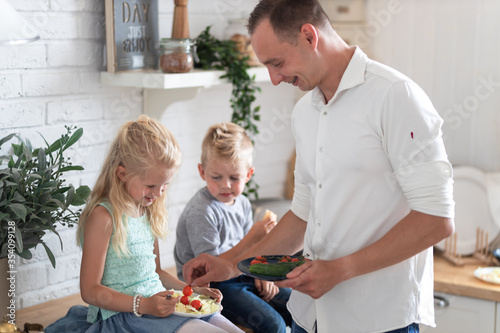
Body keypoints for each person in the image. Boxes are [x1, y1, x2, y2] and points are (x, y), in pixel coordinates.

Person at [182, 1, 455, 333]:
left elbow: (436, 220)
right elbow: (302, 214)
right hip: (307, 317)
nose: (275, 78)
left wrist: (340, 269)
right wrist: (230, 264)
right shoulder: (304, 112)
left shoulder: (396, 96)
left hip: (378, 320)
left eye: (277, 63)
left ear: (309, 36)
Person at [76, 116, 243, 333]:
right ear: (122, 174)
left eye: (165, 185)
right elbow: (89, 290)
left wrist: (191, 291)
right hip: (126, 316)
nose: (158, 193)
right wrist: (143, 305)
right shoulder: (104, 217)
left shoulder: (146, 210)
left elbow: (155, 273)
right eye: (151, 185)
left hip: (158, 306)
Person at [174, 123, 292, 332]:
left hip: (241, 273)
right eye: (216, 177)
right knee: (274, 325)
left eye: (234, 178)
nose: (226, 185)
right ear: (202, 172)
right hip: (215, 287)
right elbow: (210, 271)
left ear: (248, 175)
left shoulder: (243, 203)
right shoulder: (202, 211)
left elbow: (250, 255)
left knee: (296, 304)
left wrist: (261, 275)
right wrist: (254, 236)